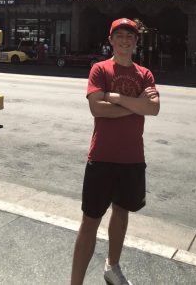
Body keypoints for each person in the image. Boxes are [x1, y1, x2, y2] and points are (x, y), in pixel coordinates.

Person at [70, 18, 160, 285]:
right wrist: (136, 105)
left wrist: (117, 98)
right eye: (119, 36)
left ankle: (112, 267)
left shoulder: (144, 73)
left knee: (121, 214)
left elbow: (153, 108)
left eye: (129, 36)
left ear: (135, 41)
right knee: (90, 221)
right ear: (111, 40)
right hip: (101, 156)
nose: (124, 40)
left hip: (132, 158)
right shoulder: (100, 69)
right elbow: (97, 108)